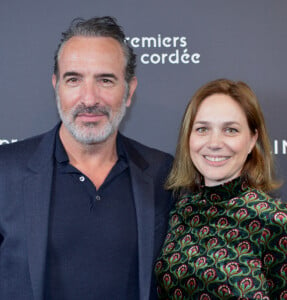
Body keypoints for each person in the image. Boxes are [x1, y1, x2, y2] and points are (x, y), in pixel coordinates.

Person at [0, 17, 173, 300]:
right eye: (74, 79)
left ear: (129, 91)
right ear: (56, 86)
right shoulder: (5, 171)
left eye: (105, 80)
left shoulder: (162, 174)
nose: (89, 98)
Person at [155, 79, 287, 299]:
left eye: (230, 130)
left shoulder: (281, 222)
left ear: (252, 140)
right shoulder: (180, 211)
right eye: (202, 129)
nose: (214, 142)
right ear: (188, 137)